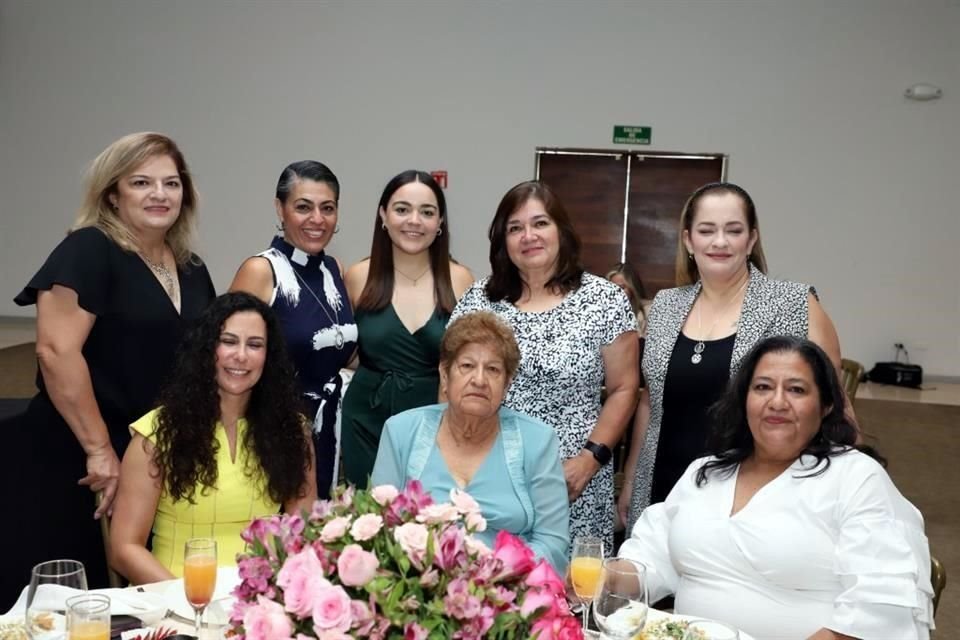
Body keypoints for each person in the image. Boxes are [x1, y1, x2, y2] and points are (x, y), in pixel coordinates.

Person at [0, 132, 216, 602]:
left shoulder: (191, 266)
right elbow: (55, 352)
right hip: (78, 453)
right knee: (71, 598)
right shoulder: (89, 249)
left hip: (153, 455)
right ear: (112, 194)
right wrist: (99, 449)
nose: (160, 194)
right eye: (141, 182)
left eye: (171, 183)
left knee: (133, 604)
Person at [619, 336, 934, 640]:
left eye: (796, 390)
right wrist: (600, 579)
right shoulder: (705, 473)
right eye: (762, 388)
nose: (777, 402)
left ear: (825, 405)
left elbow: (878, 609)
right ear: (745, 400)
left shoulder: (855, 478)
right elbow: (650, 558)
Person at [619, 182, 845, 531]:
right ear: (688, 240)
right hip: (663, 487)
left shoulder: (794, 304)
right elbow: (650, 402)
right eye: (706, 230)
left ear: (751, 240)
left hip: (754, 498)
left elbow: (836, 410)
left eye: (733, 230)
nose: (720, 242)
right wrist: (632, 480)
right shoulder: (665, 305)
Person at [450, 181, 638, 551]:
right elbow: (451, 385)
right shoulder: (478, 300)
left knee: (566, 597)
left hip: (574, 481)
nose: (528, 236)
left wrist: (590, 460)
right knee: (488, 593)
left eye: (540, 223)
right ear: (502, 239)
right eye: (515, 228)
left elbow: (624, 389)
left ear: (561, 231)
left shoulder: (604, 300)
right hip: (488, 479)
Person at [109, 293, 317, 582]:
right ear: (207, 349)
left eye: (254, 345)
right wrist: (190, 601)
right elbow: (124, 548)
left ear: (268, 357)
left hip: (262, 605)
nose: (241, 355)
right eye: (229, 341)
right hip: (175, 600)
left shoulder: (292, 431)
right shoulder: (157, 434)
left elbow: (302, 532)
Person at [371, 311, 569, 573]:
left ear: (507, 384)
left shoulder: (537, 441)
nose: (479, 380)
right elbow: (377, 525)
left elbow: (552, 542)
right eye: (466, 366)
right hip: (417, 588)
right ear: (444, 375)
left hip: (511, 594)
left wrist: (494, 574)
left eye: (493, 370)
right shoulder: (401, 431)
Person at [230, 161, 356, 498]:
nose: (317, 219)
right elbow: (225, 357)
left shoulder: (334, 269)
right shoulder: (261, 270)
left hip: (333, 432)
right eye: (303, 207)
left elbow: (341, 351)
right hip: (276, 434)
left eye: (327, 208)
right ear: (280, 208)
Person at [341, 170, 473, 487]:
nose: (414, 220)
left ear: (440, 223)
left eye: (427, 212)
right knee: (368, 521)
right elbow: (346, 352)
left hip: (435, 419)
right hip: (365, 417)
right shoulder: (358, 276)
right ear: (383, 216)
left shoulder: (461, 280)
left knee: (429, 520)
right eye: (402, 209)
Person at [605, 262, 649, 337]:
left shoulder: (646, 312)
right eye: (611, 287)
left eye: (621, 288)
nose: (615, 292)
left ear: (632, 288)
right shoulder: (602, 312)